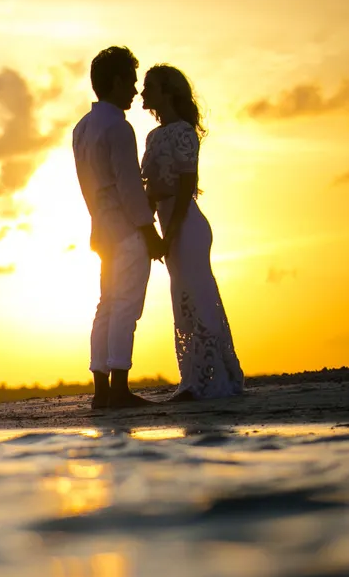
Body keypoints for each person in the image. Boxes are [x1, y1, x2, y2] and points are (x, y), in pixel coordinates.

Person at [139, 65, 244, 401]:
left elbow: (186, 186)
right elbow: (150, 189)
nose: (143, 92)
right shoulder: (153, 136)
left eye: (149, 87)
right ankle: (194, 377)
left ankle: (213, 380)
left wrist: (170, 234)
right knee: (182, 302)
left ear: (167, 92)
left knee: (198, 298)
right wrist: (151, 229)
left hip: (188, 226)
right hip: (168, 224)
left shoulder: (184, 131)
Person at [72, 46, 165, 410]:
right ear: (114, 81)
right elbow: (128, 185)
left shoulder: (82, 128)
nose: (134, 90)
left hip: (101, 230)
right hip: (125, 230)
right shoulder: (119, 127)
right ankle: (120, 389)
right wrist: (149, 231)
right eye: (130, 81)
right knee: (126, 306)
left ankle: (102, 391)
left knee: (106, 305)